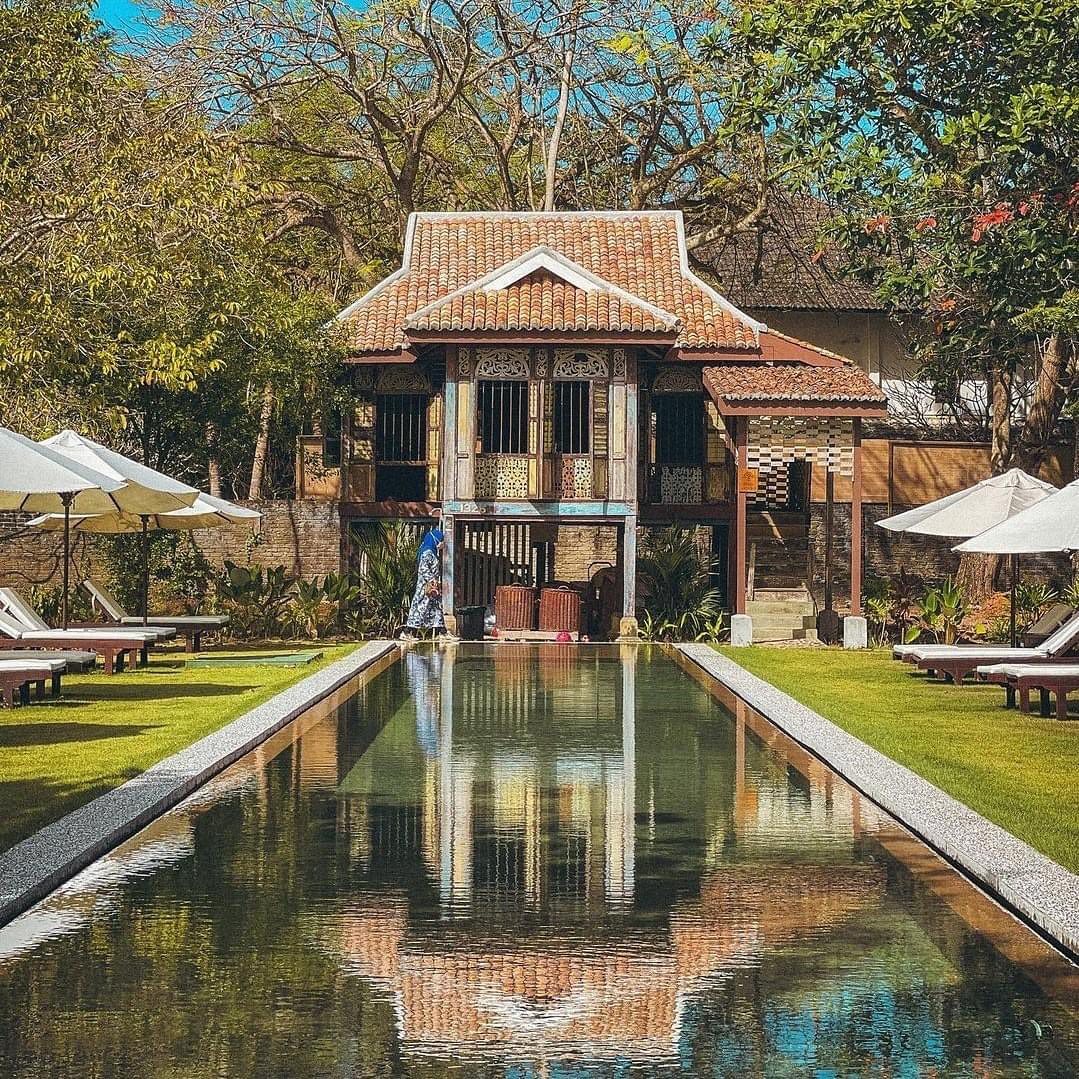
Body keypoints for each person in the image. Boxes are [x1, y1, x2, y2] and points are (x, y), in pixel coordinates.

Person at [401, 527, 445, 640]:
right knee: (420, 608)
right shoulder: (427, 553)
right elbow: (423, 569)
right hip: (426, 587)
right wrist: (432, 581)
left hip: (432, 587)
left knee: (436, 609)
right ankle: (408, 631)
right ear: (435, 540)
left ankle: (442, 632)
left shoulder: (432, 552)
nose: (442, 543)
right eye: (441, 540)